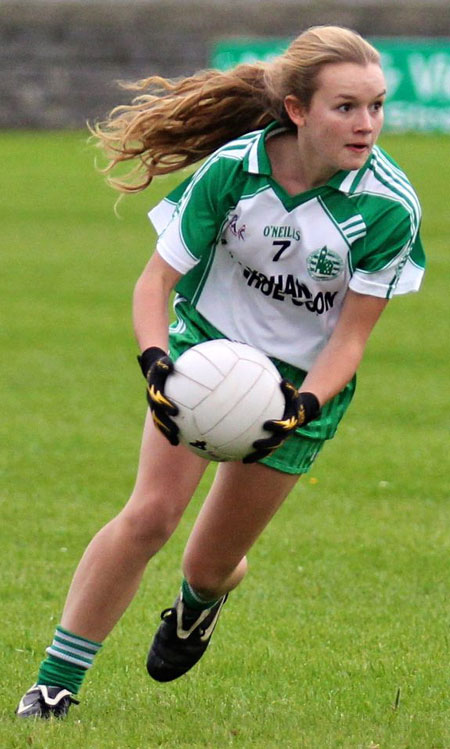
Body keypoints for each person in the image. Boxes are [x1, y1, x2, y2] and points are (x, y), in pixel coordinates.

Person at [16, 25, 425, 719]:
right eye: (346, 107)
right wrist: (156, 363)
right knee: (149, 514)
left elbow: (350, 340)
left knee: (208, 563)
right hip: (204, 357)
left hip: (300, 387)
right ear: (298, 110)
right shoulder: (234, 169)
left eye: (377, 106)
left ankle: (199, 604)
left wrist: (300, 406)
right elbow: (156, 282)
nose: (367, 124)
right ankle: (55, 683)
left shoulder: (388, 206)